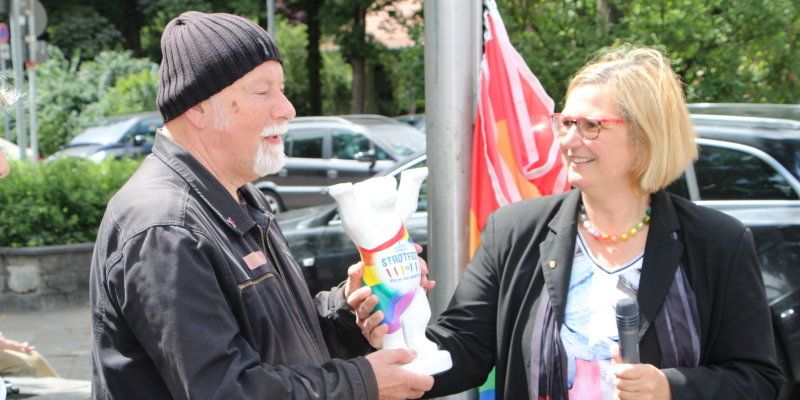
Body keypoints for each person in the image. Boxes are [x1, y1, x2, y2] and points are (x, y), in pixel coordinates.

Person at [391, 45, 781, 399]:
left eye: (590, 126)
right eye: (565, 122)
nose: (568, 140)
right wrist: (392, 317)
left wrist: (670, 387)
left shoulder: (718, 242)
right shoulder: (513, 231)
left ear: (646, 137)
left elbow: (758, 380)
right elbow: (461, 350)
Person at [89, 11, 432, 400]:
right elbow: (224, 390)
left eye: (282, 89)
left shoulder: (239, 195)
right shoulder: (165, 226)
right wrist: (362, 381)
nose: (287, 108)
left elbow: (280, 344)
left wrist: (349, 311)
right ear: (198, 108)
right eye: (262, 91)